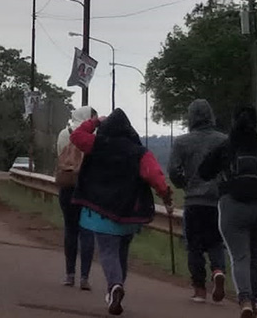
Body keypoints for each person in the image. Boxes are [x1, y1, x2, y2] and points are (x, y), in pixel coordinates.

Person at [70, 109, 173, 316]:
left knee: (108, 251)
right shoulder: (139, 152)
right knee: (122, 253)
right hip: (128, 211)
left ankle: (114, 286)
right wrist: (166, 197)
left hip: (100, 209)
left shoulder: (97, 144)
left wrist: (95, 121)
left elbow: (76, 137)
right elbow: (155, 176)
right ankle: (116, 288)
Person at [199, 106, 257, 318]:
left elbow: (204, 172)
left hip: (232, 206)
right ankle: (255, 303)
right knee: (254, 258)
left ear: (232, 122)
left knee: (240, 256)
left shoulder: (226, 147)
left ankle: (245, 301)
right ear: (256, 123)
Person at [168, 99, 229, 304]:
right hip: (218, 201)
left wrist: (183, 184)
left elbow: (173, 170)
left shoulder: (182, 142)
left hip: (194, 200)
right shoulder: (223, 140)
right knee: (216, 243)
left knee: (193, 245)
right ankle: (218, 270)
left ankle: (200, 290)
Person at [55, 105, 97, 290]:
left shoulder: (64, 133)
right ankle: (85, 277)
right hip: (87, 187)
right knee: (87, 232)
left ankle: (69, 274)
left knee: (70, 230)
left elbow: (59, 156)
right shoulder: (94, 138)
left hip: (67, 186)